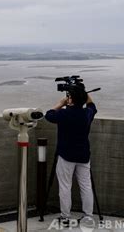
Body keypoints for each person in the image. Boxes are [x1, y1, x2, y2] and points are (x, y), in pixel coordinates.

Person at [45, 86, 97, 224]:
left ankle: (65, 217)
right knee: (86, 186)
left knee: (65, 186)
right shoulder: (87, 114)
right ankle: (88, 216)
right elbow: (93, 106)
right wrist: (83, 94)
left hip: (66, 155)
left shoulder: (63, 114)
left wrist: (61, 103)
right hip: (83, 155)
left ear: (70, 99)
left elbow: (48, 115)